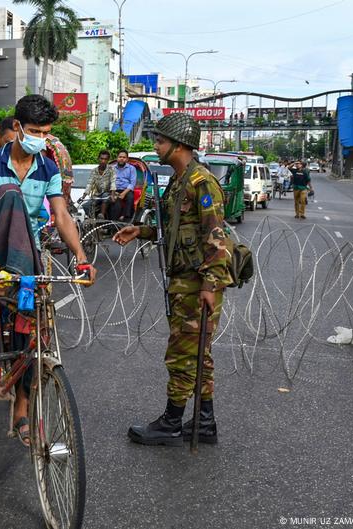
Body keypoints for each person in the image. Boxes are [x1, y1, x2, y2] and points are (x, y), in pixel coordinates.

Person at [0, 95, 96, 446]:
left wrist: (82, 256)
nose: (41, 138)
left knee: (35, 336)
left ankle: (22, 406)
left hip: (32, 255)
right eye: (35, 131)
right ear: (19, 128)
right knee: (9, 193)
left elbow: (61, 216)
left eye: (46, 132)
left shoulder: (47, 168)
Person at [112, 112, 233, 447]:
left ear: (179, 146)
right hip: (183, 280)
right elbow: (174, 230)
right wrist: (141, 231)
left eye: (161, 141)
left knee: (182, 355)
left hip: (197, 284)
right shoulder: (179, 182)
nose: (156, 145)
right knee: (199, 356)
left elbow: (217, 238)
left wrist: (210, 286)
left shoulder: (201, 183)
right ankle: (205, 422)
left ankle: (172, 422)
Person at [84, 150, 115, 219]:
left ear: (108, 160)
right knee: (85, 206)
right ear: (98, 159)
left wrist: (112, 195)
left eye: (105, 159)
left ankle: (102, 215)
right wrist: (84, 196)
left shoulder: (111, 169)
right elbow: (90, 183)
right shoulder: (94, 171)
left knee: (105, 195)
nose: (103, 161)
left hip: (108, 194)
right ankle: (93, 219)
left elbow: (113, 182)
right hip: (97, 194)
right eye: (101, 159)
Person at [108, 149, 137, 221]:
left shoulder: (131, 169)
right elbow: (109, 181)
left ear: (127, 159)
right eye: (120, 157)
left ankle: (125, 216)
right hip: (114, 189)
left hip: (127, 189)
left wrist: (124, 193)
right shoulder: (112, 168)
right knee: (115, 203)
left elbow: (132, 183)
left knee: (130, 197)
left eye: (124, 157)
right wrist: (113, 193)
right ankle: (112, 221)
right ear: (117, 158)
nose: (121, 159)